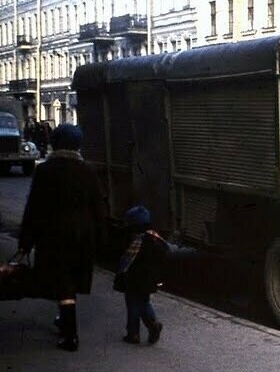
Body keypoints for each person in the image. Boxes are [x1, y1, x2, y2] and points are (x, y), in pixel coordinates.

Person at [18, 124, 105, 351]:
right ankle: (63, 320)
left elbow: (34, 207)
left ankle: (70, 335)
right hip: (83, 235)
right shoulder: (89, 170)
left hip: (53, 235)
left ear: (55, 142)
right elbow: (99, 207)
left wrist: (26, 240)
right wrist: (100, 236)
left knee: (62, 281)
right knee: (71, 280)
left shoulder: (46, 170)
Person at [114, 205, 168, 345]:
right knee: (144, 302)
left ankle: (133, 334)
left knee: (132, 304)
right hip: (150, 280)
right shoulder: (155, 238)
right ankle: (153, 324)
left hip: (134, 279)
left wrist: (120, 275)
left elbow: (124, 260)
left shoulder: (134, 240)